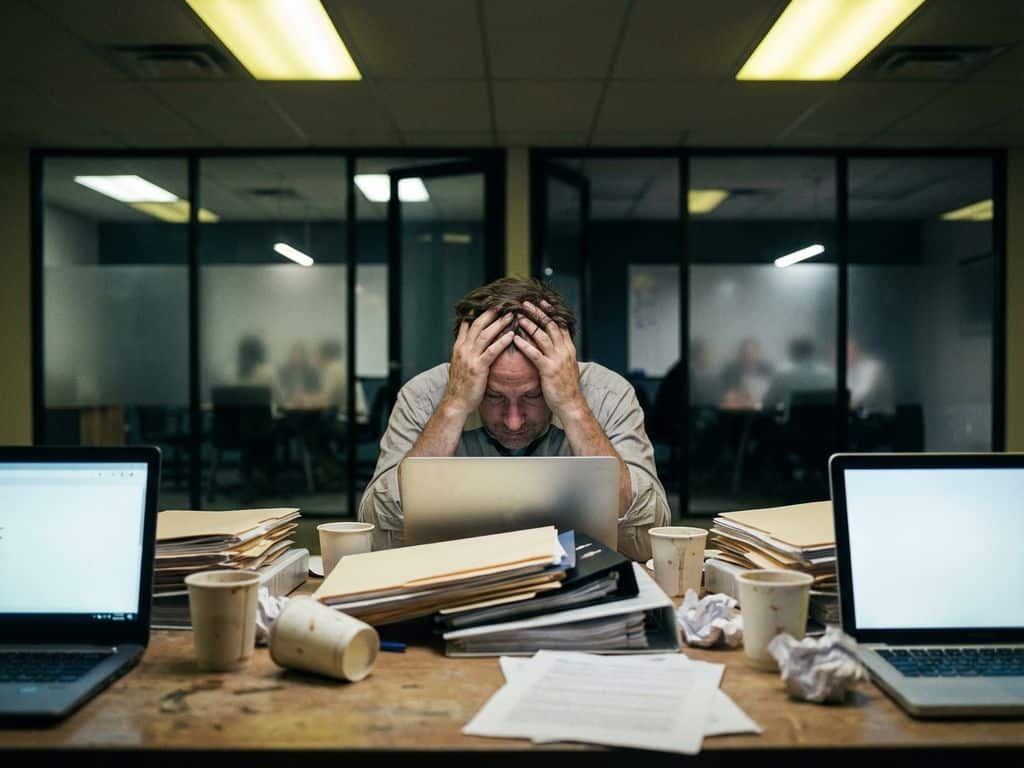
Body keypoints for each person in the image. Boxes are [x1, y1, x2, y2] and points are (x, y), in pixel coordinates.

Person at [358, 277, 670, 561]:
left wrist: (573, 406)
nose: (513, 422)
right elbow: (374, 537)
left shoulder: (607, 394)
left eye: (533, 396)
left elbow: (650, 538)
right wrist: (454, 405)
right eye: (493, 396)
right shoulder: (424, 395)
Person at [762, 337, 832, 415]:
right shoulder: (828, 377)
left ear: (792, 354)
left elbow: (767, 405)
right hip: (825, 426)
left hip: (792, 426)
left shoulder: (783, 377)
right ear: (813, 353)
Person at [718, 337, 772, 409]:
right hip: (738, 405)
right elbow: (723, 392)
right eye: (745, 353)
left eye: (752, 352)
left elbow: (772, 391)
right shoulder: (730, 370)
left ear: (758, 352)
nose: (749, 356)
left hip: (761, 405)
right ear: (740, 354)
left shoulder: (767, 368)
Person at [847, 338, 894, 415]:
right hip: (862, 415)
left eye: (850, 351)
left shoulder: (873, 367)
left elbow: (863, 394)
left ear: (858, 351)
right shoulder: (851, 370)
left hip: (880, 416)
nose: (848, 356)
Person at [278, 341, 320, 406]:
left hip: (308, 404)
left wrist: (305, 397)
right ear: (290, 356)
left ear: (305, 357)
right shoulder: (284, 371)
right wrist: (291, 396)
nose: (297, 358)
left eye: (300, 355)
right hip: (288, 403)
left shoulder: (312, 371)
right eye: (294, 355)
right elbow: (280, 390)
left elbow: (316, 390)